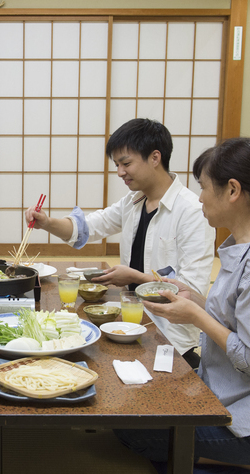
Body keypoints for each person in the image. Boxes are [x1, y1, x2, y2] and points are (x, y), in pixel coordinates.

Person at [25, 118, 215, 367]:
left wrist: (135, 276)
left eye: (126, 163)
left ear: (155, 157)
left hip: (170, 339)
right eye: (117, 164)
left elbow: (192, 292)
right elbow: (88, 227)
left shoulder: (191, 210)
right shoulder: (134, 201)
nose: (120, 172)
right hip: (131, 325)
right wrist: (47, 222)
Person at [115, 137, 250, 470]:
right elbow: (233, 318)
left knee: (131, 430)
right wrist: (195, 300)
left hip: (241, 421)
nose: (200, 197)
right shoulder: (236, 246)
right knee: (127, 405)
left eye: (204, 187)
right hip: (216, 386)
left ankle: (229, 461)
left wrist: (195, 315)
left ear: (232, 190)